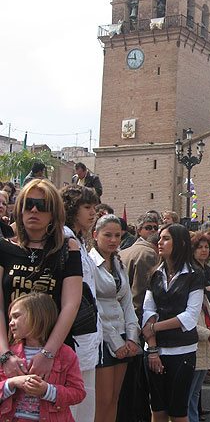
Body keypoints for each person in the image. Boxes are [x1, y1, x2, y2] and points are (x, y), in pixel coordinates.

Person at [0, 179, 82, 381]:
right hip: (9, 351)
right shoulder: (4, 248)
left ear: (54, 212)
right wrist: (5, 355)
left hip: (52, 351)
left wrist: (48, 353)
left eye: (42, 205)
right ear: (19, 209)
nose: (34, 210)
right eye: (28, 204)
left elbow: (71, 304)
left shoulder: (67, 247)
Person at [141, 223, 205, 422]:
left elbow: (190, 316)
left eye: (166, 238)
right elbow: (148, 309)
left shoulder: (194, 275)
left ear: (181, 242)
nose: (160, 242)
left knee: (177, 412)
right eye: (160, 238)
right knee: (157, 409)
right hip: (153, 350)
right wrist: (152, 349)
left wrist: (155, 328)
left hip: (181, 351)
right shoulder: (155, 273)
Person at [0, 292, 86, 421]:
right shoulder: (8, 357)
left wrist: (47, 390)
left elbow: (78, 393)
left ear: (37, 317)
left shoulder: (66, 354)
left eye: (16, 316)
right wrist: (12, 383)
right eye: (10, 318)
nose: (11, 323)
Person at [90, 214, 140, 422]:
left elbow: (127, 303)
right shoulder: (89, 264)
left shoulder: (119, 263)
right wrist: (117, 342)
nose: (113, 240)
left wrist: (131, 337)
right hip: (102, 338)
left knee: (114, 400)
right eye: (107, 235)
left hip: (121, 334)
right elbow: (94, 307)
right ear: (95, 235)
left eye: (117, 235)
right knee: (102, 400)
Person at [60, 184, 101, 421]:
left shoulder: (79, 241)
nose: (93, 213)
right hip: (73, 337)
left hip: (87, 339)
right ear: (72, 208)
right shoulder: (65, 240)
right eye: (87, 207)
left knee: (85, 404)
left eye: (94, 207)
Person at [117, 213, 158, 422]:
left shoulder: (124, 252)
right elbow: (142, 294)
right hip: (138, 323)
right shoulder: (148, 255)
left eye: (155, 227)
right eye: (149, 227)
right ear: (139, 230)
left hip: (123, 323)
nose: (153, 231)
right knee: (139, 382)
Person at [187, 266, 210, 422]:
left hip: (205, 350)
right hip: (195, 348)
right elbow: (187, 323)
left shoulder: (202, 296)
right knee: (188, 394)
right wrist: (209, 333)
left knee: (195, 392)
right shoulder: (186, 296)